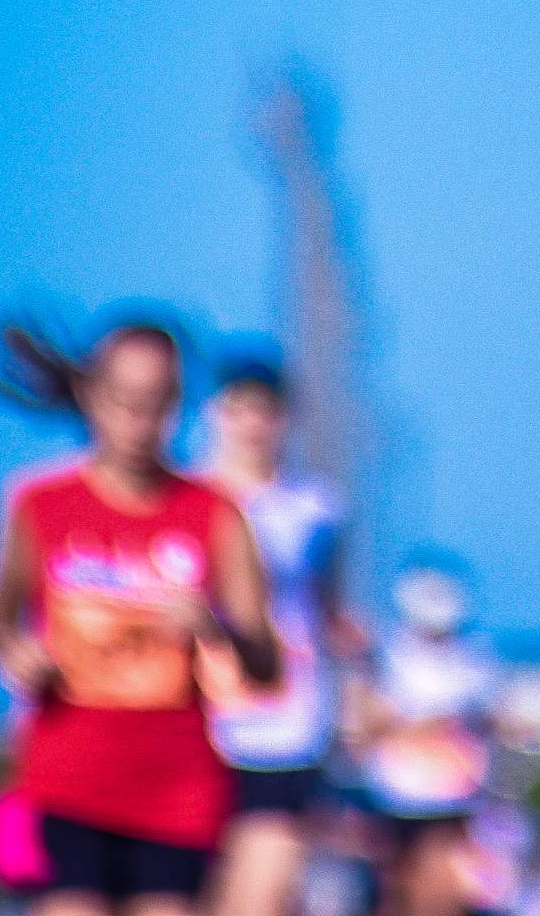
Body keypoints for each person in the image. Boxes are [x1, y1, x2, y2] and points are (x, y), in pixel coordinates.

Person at [0, 313, 284, 916]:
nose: (140, 423)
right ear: (91, 396)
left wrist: (211, 627)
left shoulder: (215, 513)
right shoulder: (38, 504)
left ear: (178, 406)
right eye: (125, 401)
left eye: (157, 404)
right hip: (66, 781)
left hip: (177, 789)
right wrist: (20, 656)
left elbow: (267, 665)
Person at [199, 351, 357, 916]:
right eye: (238, 410)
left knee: (264, 891)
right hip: (200, 720)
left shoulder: (315, 508)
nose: (251, 425)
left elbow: (329, 609)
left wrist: (360, 689)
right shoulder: (187, 498)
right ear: (215, 414)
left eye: (264, 411)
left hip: (286, 722)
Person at [344, 561, 507, 916]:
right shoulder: (385, 654)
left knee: (440, 890)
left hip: (451, 797)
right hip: (394, 795)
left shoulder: (474, 657)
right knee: (398, 890)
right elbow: (365, 724)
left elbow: (490, 720)